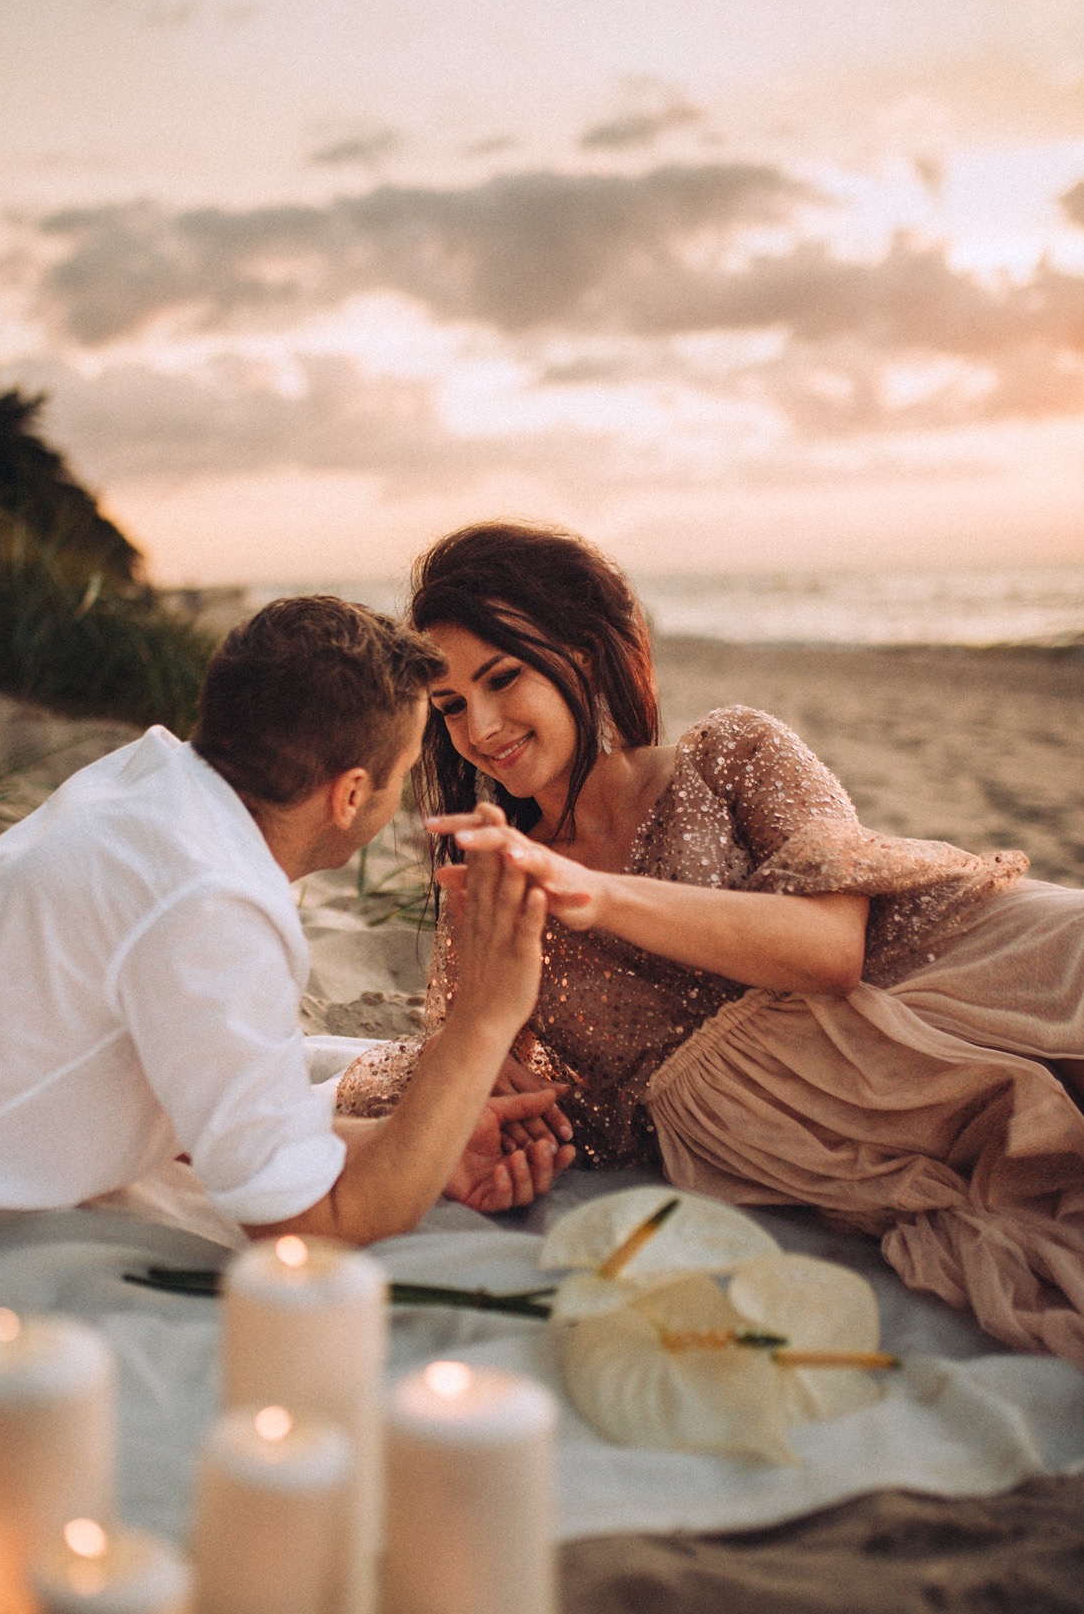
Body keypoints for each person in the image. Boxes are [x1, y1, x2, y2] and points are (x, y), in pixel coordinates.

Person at [337, 524, 1084, 1359]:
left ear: (584, 653)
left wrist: (597, 893)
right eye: (450, 706)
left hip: (966, 978)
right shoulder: (495, 877)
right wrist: (470, 1082)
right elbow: (462, 1059)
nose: (479, 727)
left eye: (503, 678)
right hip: (838, 1128)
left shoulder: (732, 753)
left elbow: (832, 948)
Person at [0, 596, 567, 1275]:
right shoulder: (211, 908)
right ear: (350, 795)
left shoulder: (155, 779)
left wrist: (419, 1140)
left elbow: (209, 1113)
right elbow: (318, 1232)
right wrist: (484, 1017)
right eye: (406, 763)